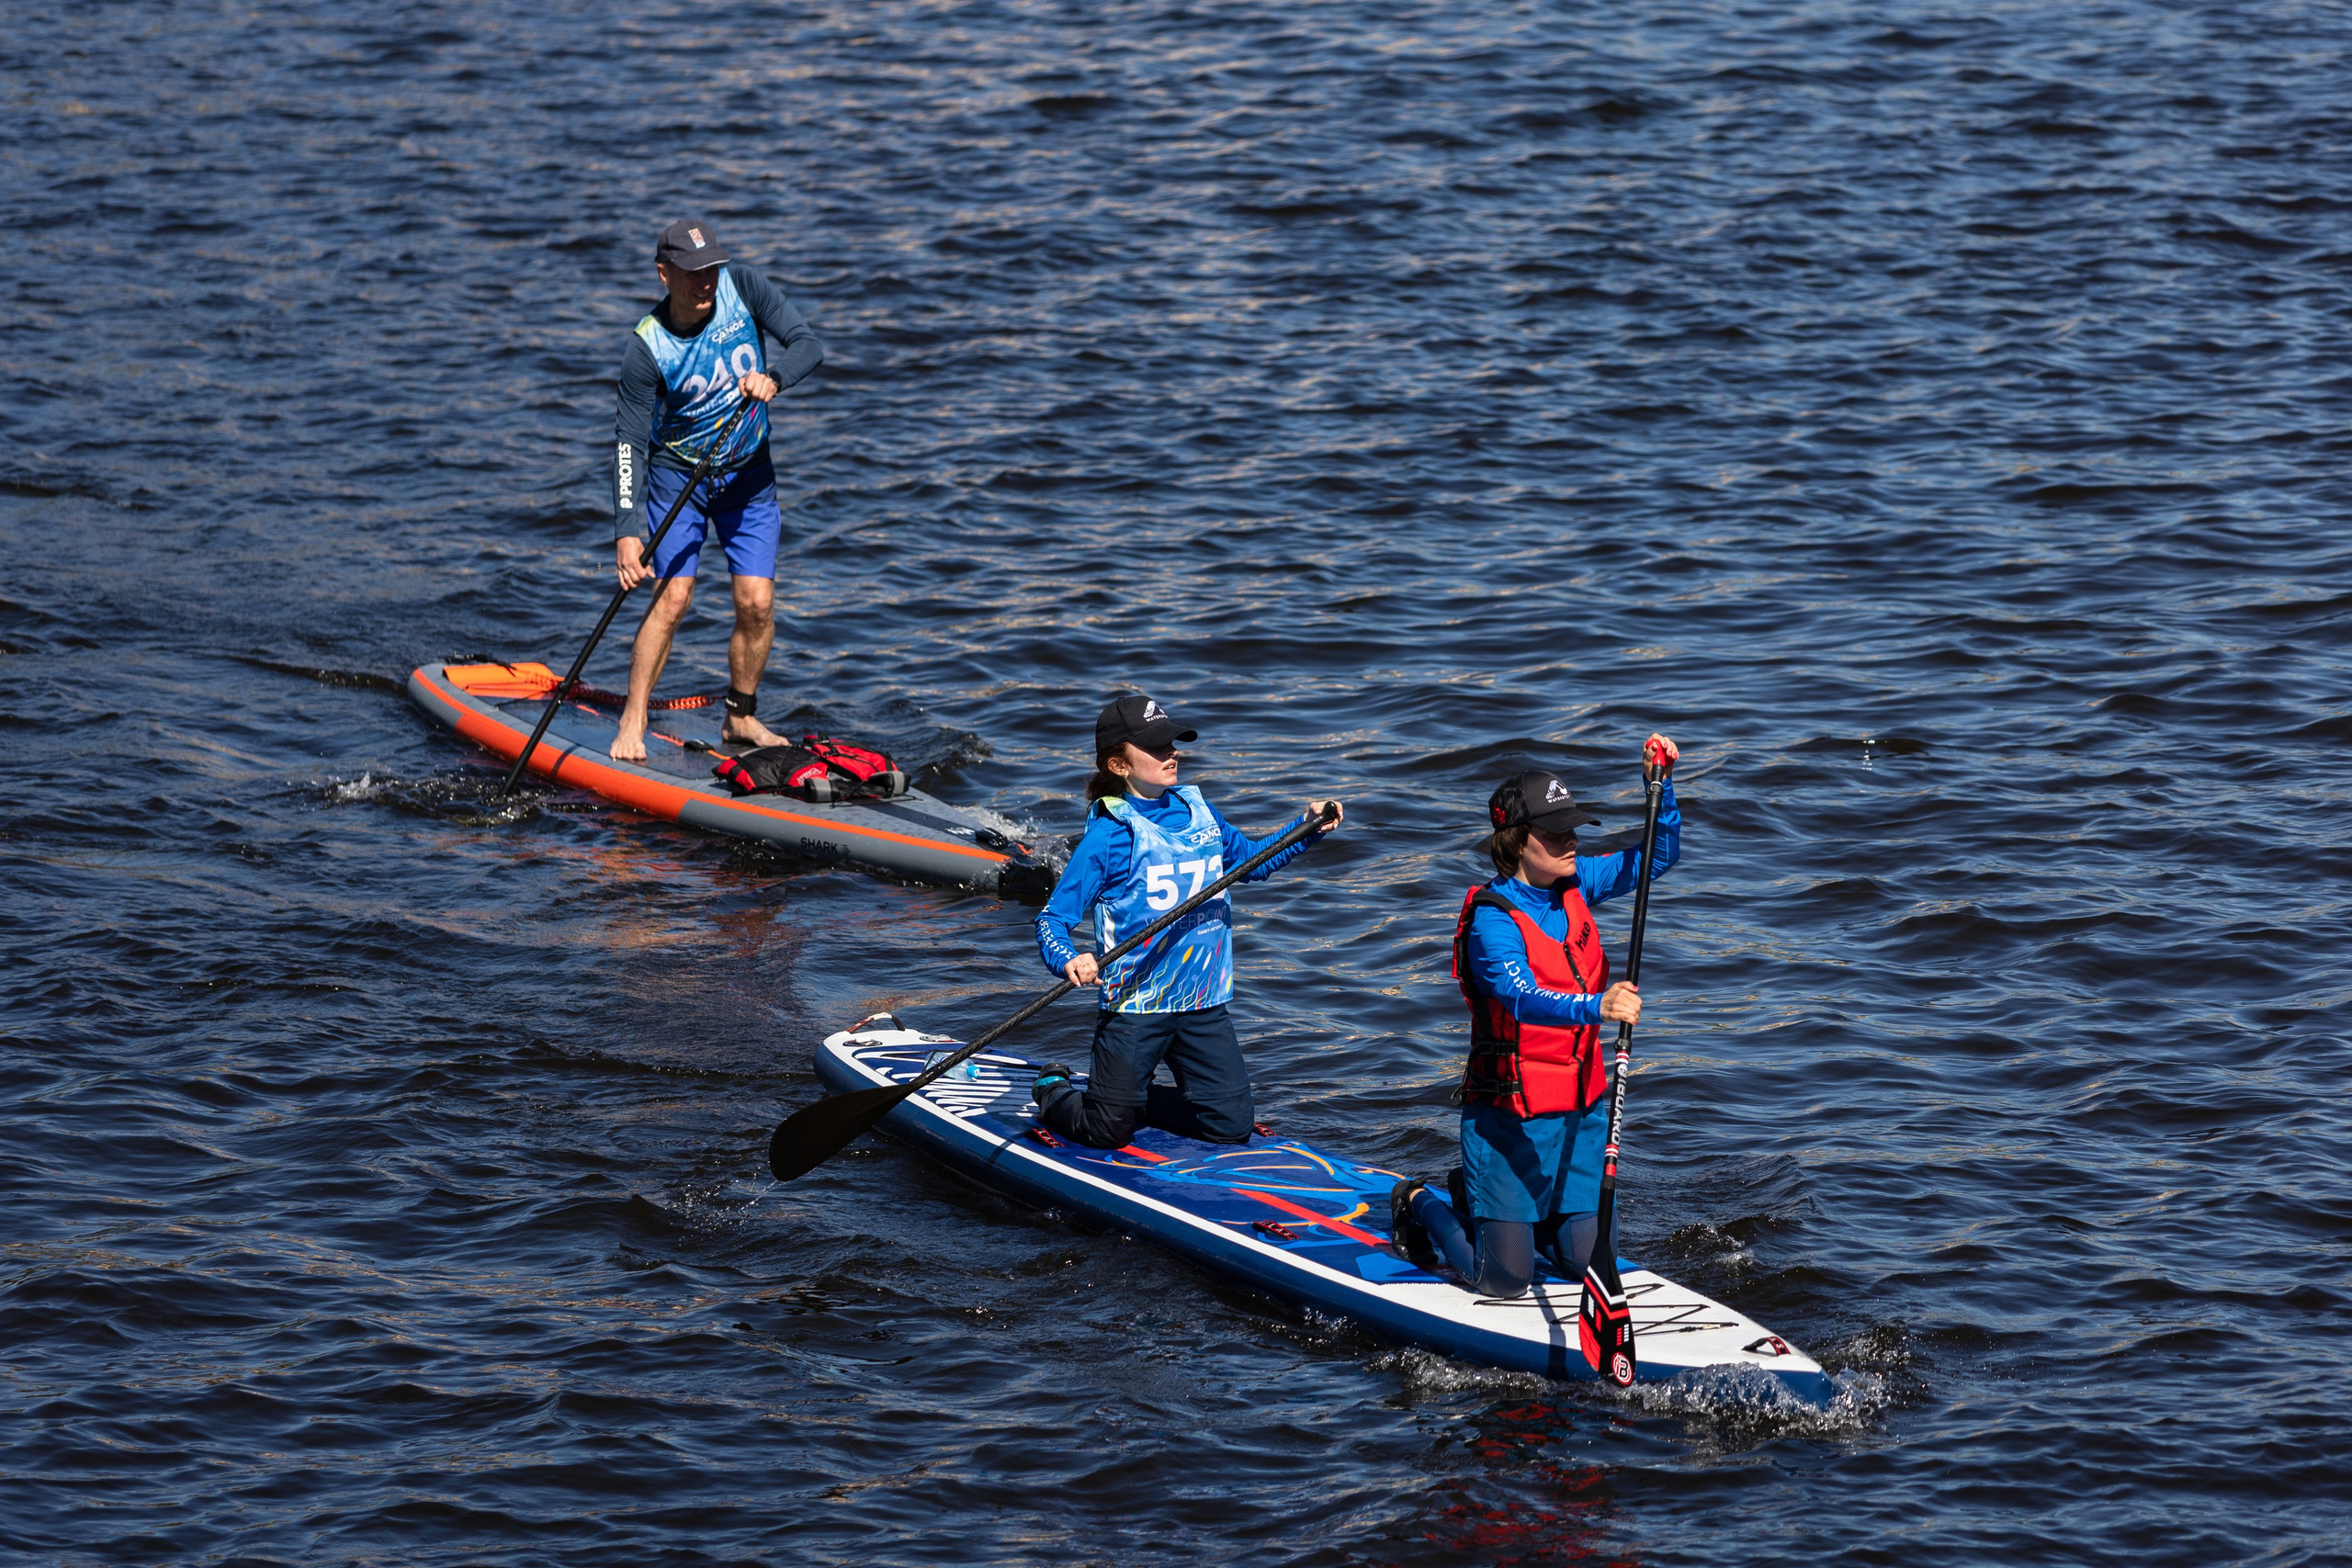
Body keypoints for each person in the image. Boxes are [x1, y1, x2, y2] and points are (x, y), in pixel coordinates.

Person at [1391, 736, 1681, 1299]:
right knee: (1504, 1280)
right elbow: (1521, 997)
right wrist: (1597, 1006)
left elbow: (1658, 859)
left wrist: (1662, 789)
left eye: (1573, 827)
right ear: (1518, 842)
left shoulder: (1578, 883)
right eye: (1555, 831)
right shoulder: (1491, 920)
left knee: (1583, 1263)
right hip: (1508, 1120)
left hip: (1581, 1114)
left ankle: (1509, 1210)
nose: (1572, 839)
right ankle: (1421, 1201)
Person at [1030, 694, 1343, 1148]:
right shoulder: (1108, 835)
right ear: (1118, 766)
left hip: (1202, 1002)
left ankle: (1129, 1100)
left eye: (1173, 743)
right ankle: (1054, 1089)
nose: (1171, 753)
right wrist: (1069, 960)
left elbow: (1252, 863)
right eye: (1157, 747)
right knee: (1106, 1132)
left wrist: (1307, 826)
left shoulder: (1199, 810)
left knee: (1230, 1127)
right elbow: (1051, 920)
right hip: (1137, 1006)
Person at [607, 220, 824, 760]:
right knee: (673, 596)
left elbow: (808, 344)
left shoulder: (744, 287)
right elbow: (629, 443)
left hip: (749, 476)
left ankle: (740, 719)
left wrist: (774, 377)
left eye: (711, 269)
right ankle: (632, 721)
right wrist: (628, 532)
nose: (706, 281)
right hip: (681, 476)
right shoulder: (647, 348)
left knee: (757, 602)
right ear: (664, 275)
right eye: (691, 273)